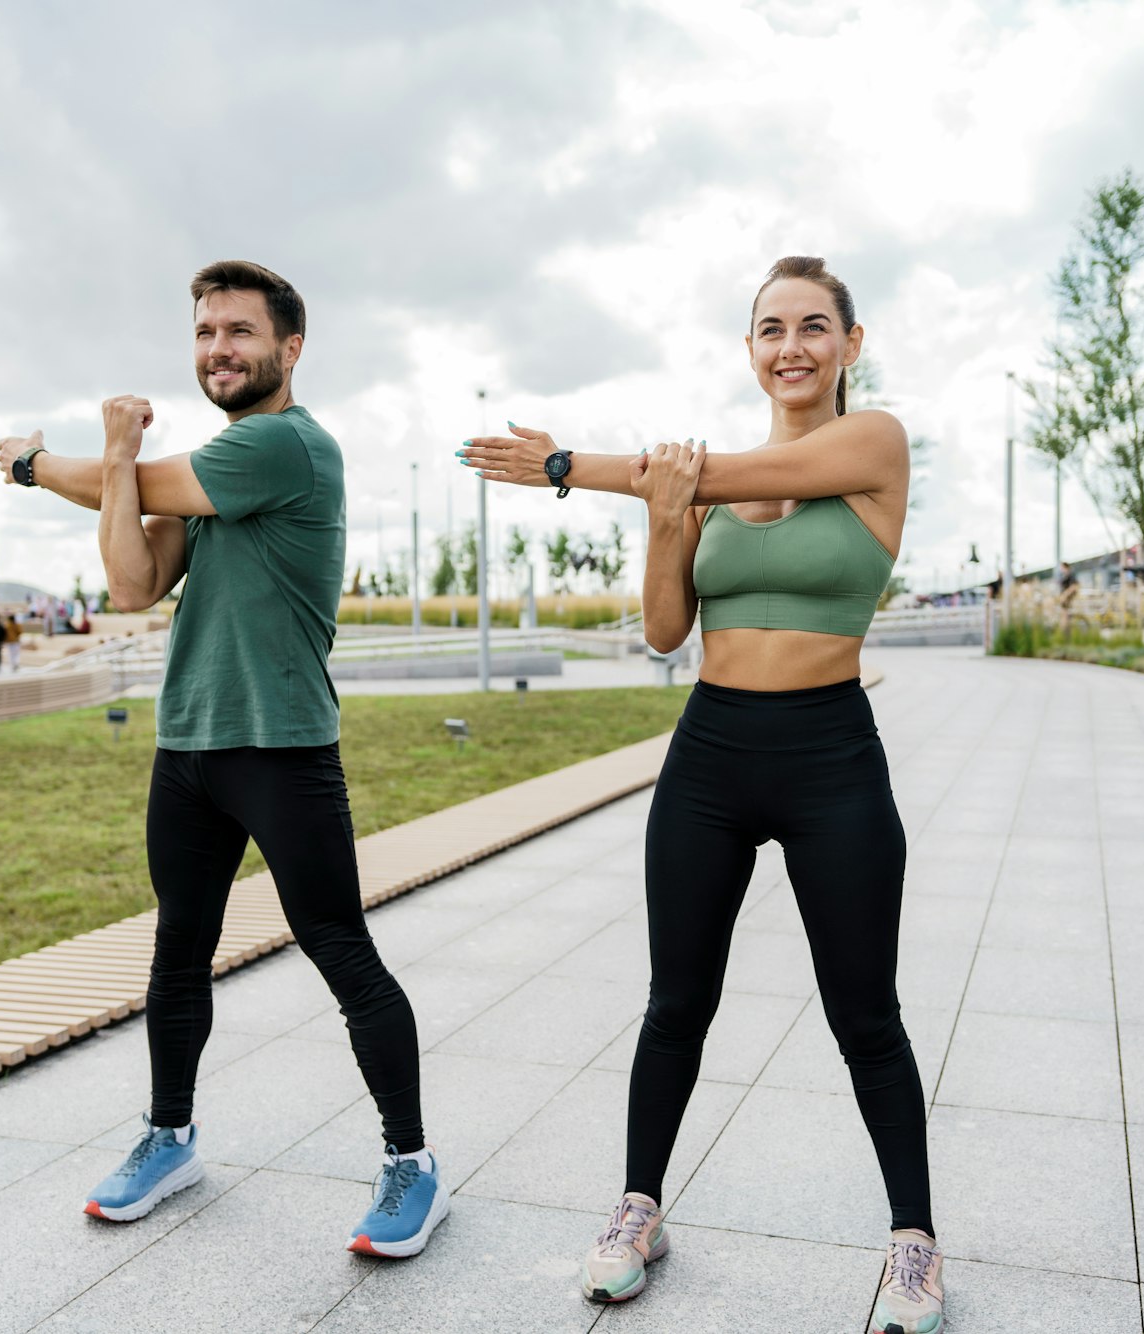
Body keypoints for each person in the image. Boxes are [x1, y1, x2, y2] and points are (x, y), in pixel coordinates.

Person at [460, 256, 943, 1333]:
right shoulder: (697, 476)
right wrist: (664, 510)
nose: (791, 346)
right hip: (712, 752)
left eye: (814, 326)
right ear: (748, 348)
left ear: (850, 345)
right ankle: (638, 1210)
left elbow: (710, 472)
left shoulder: (873, 444)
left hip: (830, 754)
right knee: (675, 1000)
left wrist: (560, 462)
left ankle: (912, 1244)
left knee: (866, 1014)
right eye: (770, 327)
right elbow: (668, 628)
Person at [0, 260, 446, 1258]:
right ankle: (169, 1135)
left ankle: (412, 1162)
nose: (217, 350)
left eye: (237, 331)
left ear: (288, 349)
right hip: (188, 743)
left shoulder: (285, 445)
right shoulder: (215, 466)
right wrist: (112, 460)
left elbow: (139, 481)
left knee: (339, 948)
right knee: (178, 951)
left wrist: (39, 461)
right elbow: (130, 582)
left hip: (281, 745)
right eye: (203, 333)